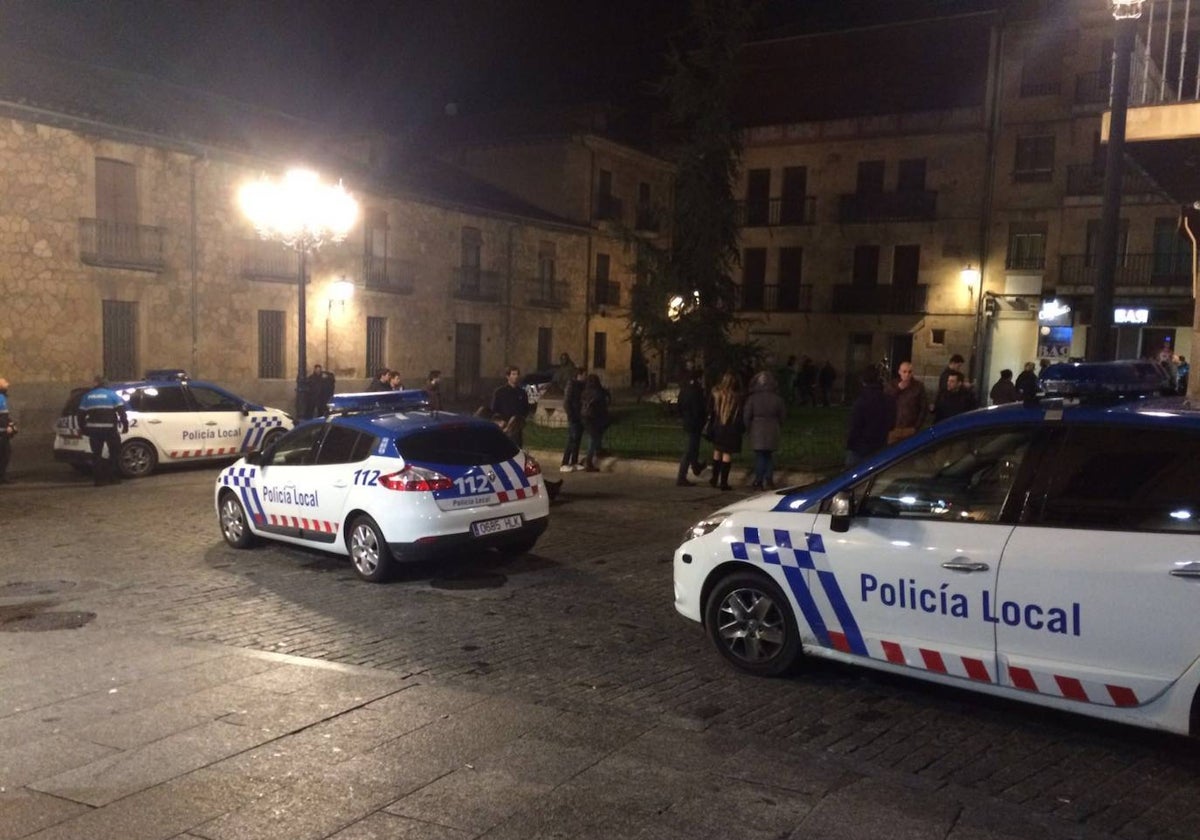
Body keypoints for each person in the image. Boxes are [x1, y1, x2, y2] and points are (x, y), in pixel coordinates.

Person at [77, 376, 129, 486]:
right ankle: (113, 478)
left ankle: (99, 480)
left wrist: (83, 428)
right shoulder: (111, 395)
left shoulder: (87, 396)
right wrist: (125, 425)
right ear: (105, 384)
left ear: (96, 384)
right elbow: (121, 412)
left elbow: (80, 415)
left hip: (94, 430)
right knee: (114, 453)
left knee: (96, 455)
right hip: (110, 429)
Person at [742, 370, 786, 490]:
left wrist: (749, 428)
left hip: (757, 429)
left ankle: (758, 480)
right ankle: (769, 479)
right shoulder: (777, 399)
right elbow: (782, 416)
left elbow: (746, 416)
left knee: (760, 456)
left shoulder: (752, 398)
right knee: (769, 456)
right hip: (772, 428)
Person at [846, 366, 896, 466]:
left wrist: (851, 444)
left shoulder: (861, 401)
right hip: (880, 445)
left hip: (860, 448)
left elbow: (855, 427)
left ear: (862, 381)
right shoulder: (888, 400)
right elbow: (891, 424)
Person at [706, 371, 744, 491]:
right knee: (727, 454)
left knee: (717, 451)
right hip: (730, 428)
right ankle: (723, 482)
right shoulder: (737, 397)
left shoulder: (716, 395)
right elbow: (740, 415)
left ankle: (714, 478)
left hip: (718, 427)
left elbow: (710, 410)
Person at [886, 361, 927, 445]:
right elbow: (886, 401)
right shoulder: (892, 384)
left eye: (909, 372)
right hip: (894, 428)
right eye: (904, 372)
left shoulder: (918, 386)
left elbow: (923, 407)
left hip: (910, 428)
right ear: (899, 372)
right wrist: (898, 389)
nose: (907, 374)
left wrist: (916, 427)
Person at [490, 365, 530, 446]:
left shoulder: (522, 392)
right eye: (513, 374)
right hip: (504, 425)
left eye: (517, 374)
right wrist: (500, 421)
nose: (516, 377)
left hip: (516, 427)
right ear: (508, 376)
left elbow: (526, 408)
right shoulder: (500, 392)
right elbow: (494, 408)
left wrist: (520, 421)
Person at [579, 373, 611, 472]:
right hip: (594, 417)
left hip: (585, 417)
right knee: (594, 438)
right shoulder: (598, 392)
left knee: (595, 436)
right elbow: (603, 405)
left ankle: (598, 451)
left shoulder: (585, 392)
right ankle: (588, 462)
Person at [560, 366, 586, 471]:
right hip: (574, 417)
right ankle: (564, 463)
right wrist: (571, 415)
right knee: (572, 439)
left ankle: (574, 462)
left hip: (580, 416)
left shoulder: (582, 385)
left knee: (577, 440)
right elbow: (566, 403)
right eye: (584, 375)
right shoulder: (571, 385)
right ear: (579, 375)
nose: (586, 377)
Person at [0, 377, 14, 484]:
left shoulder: (3, 397)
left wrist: (10, 423)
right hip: (1, 432)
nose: (8, 384)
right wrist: (6, 427)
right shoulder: (0, 397)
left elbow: (5, 415)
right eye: (5, 382)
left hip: (3, 431)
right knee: (5, 453)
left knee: (5, 453)